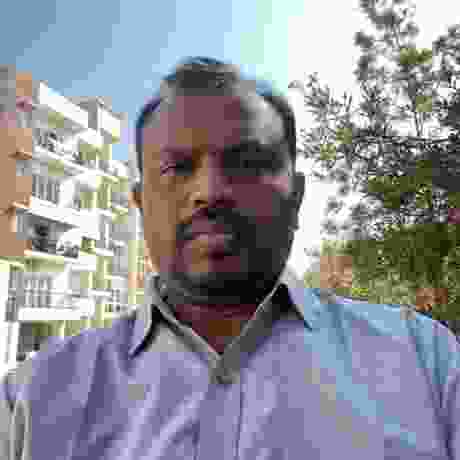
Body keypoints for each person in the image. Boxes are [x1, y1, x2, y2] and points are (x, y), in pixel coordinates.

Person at [1, 56, 459, 460]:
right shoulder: (29, 402)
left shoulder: (426, 364)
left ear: (296, 197)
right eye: (177, 168)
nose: (211, 191)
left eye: (247, 163)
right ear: (140, 206)